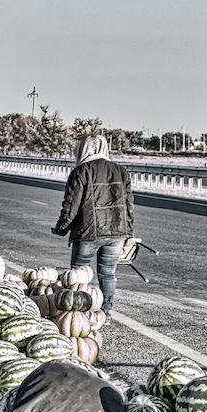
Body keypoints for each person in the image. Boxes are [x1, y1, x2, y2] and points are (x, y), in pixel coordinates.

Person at [52, 134, 134, 317]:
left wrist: (61, 228)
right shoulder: (121, 171)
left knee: (78, 274)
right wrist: (129, 233)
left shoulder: (81, 171)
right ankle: (105, 312)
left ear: (83, 149)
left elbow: (71, 205)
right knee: (107, 274)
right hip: (117, 233)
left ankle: (78, 313)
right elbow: (128, 206)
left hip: (88, 232)